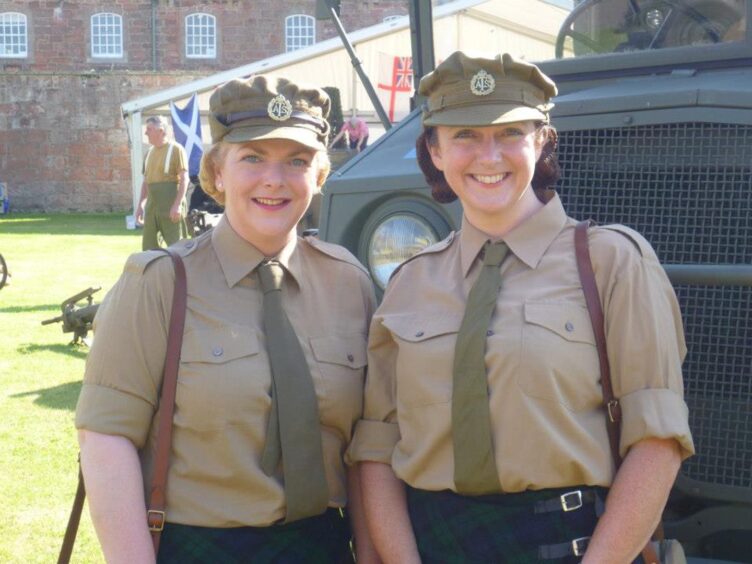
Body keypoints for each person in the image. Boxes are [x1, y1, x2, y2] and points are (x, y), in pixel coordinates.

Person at [348, 51, 695, 563]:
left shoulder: (611, 262)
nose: (489, 157)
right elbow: (377, 449)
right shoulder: (410, 283)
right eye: (464, 135)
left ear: (541, 142)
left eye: (510, 134)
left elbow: (658, 440)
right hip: (433, 545)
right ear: (435, 151)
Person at [76, 74, 378, 563]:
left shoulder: (349, 284)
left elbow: (367, 448)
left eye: (296, 161)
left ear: (319, 175)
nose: (274, 180)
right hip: (201, 545)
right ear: (217, 172)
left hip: (321, 545)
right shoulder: (158, 282)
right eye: (252, 158)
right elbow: (105, 439)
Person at [136, 116, 190, 250]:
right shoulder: (149, 153)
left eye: (149, 129)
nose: (146, 133)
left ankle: (180, 272)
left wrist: (177, 205)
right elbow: (146, 182)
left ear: (161, 131)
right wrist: (140, 205)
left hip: (170, 206)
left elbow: (185, 179)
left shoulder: (176, 149)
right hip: (151, 208)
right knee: (149, 249)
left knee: (178, 248)